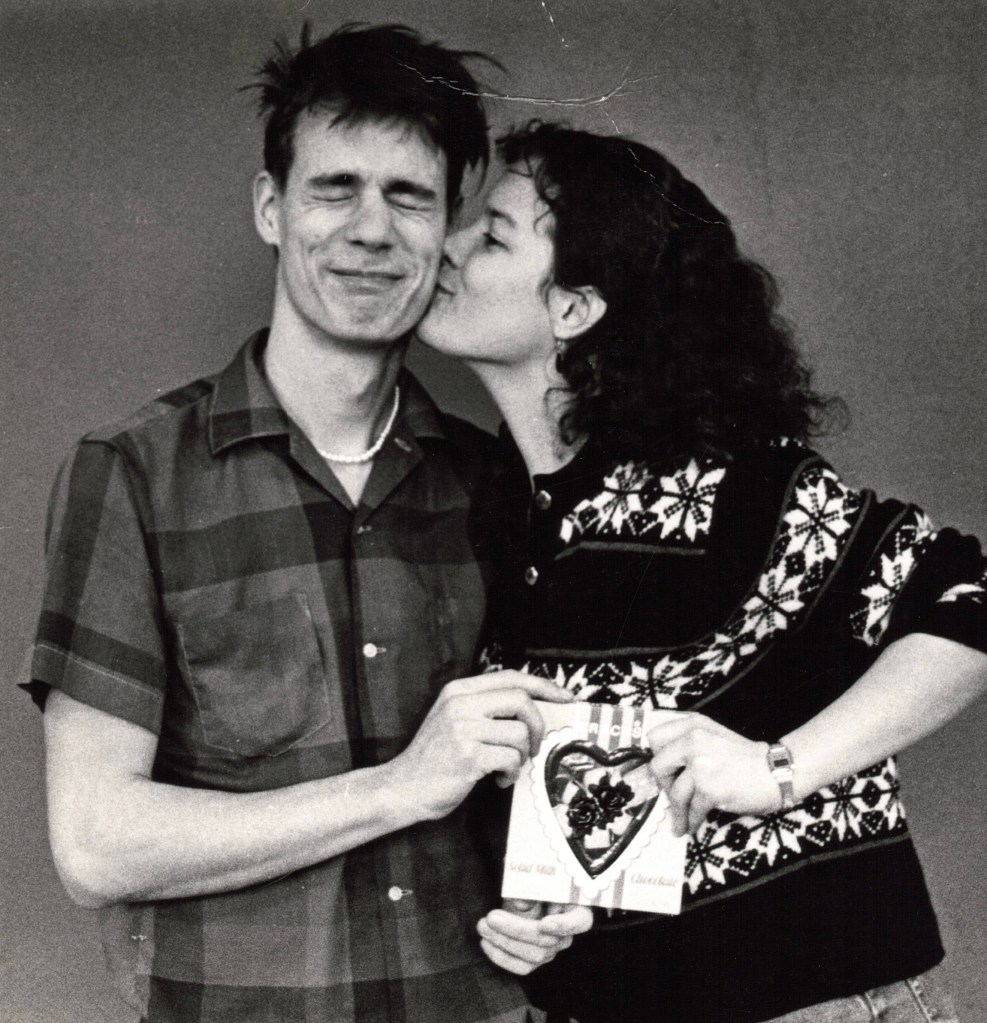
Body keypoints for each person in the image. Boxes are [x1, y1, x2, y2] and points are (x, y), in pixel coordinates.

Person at [23, 29, 588, 1023]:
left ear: (446, 232)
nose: (371, 230)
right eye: (336, 189)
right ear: (270, 208)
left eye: (409, 197)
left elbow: (549, 774)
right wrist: (400, 787)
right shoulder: (135, 474)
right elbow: (96, 843)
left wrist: (556, 890)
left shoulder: (492, 483)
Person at [417, 122, 987, 1023]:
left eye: (488, 235)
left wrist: (776, 769)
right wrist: (549, 919)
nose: (443, 247)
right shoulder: (498, 515)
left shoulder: (723, 486)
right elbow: (604, 795)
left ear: (573, 309)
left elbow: (968, 599)